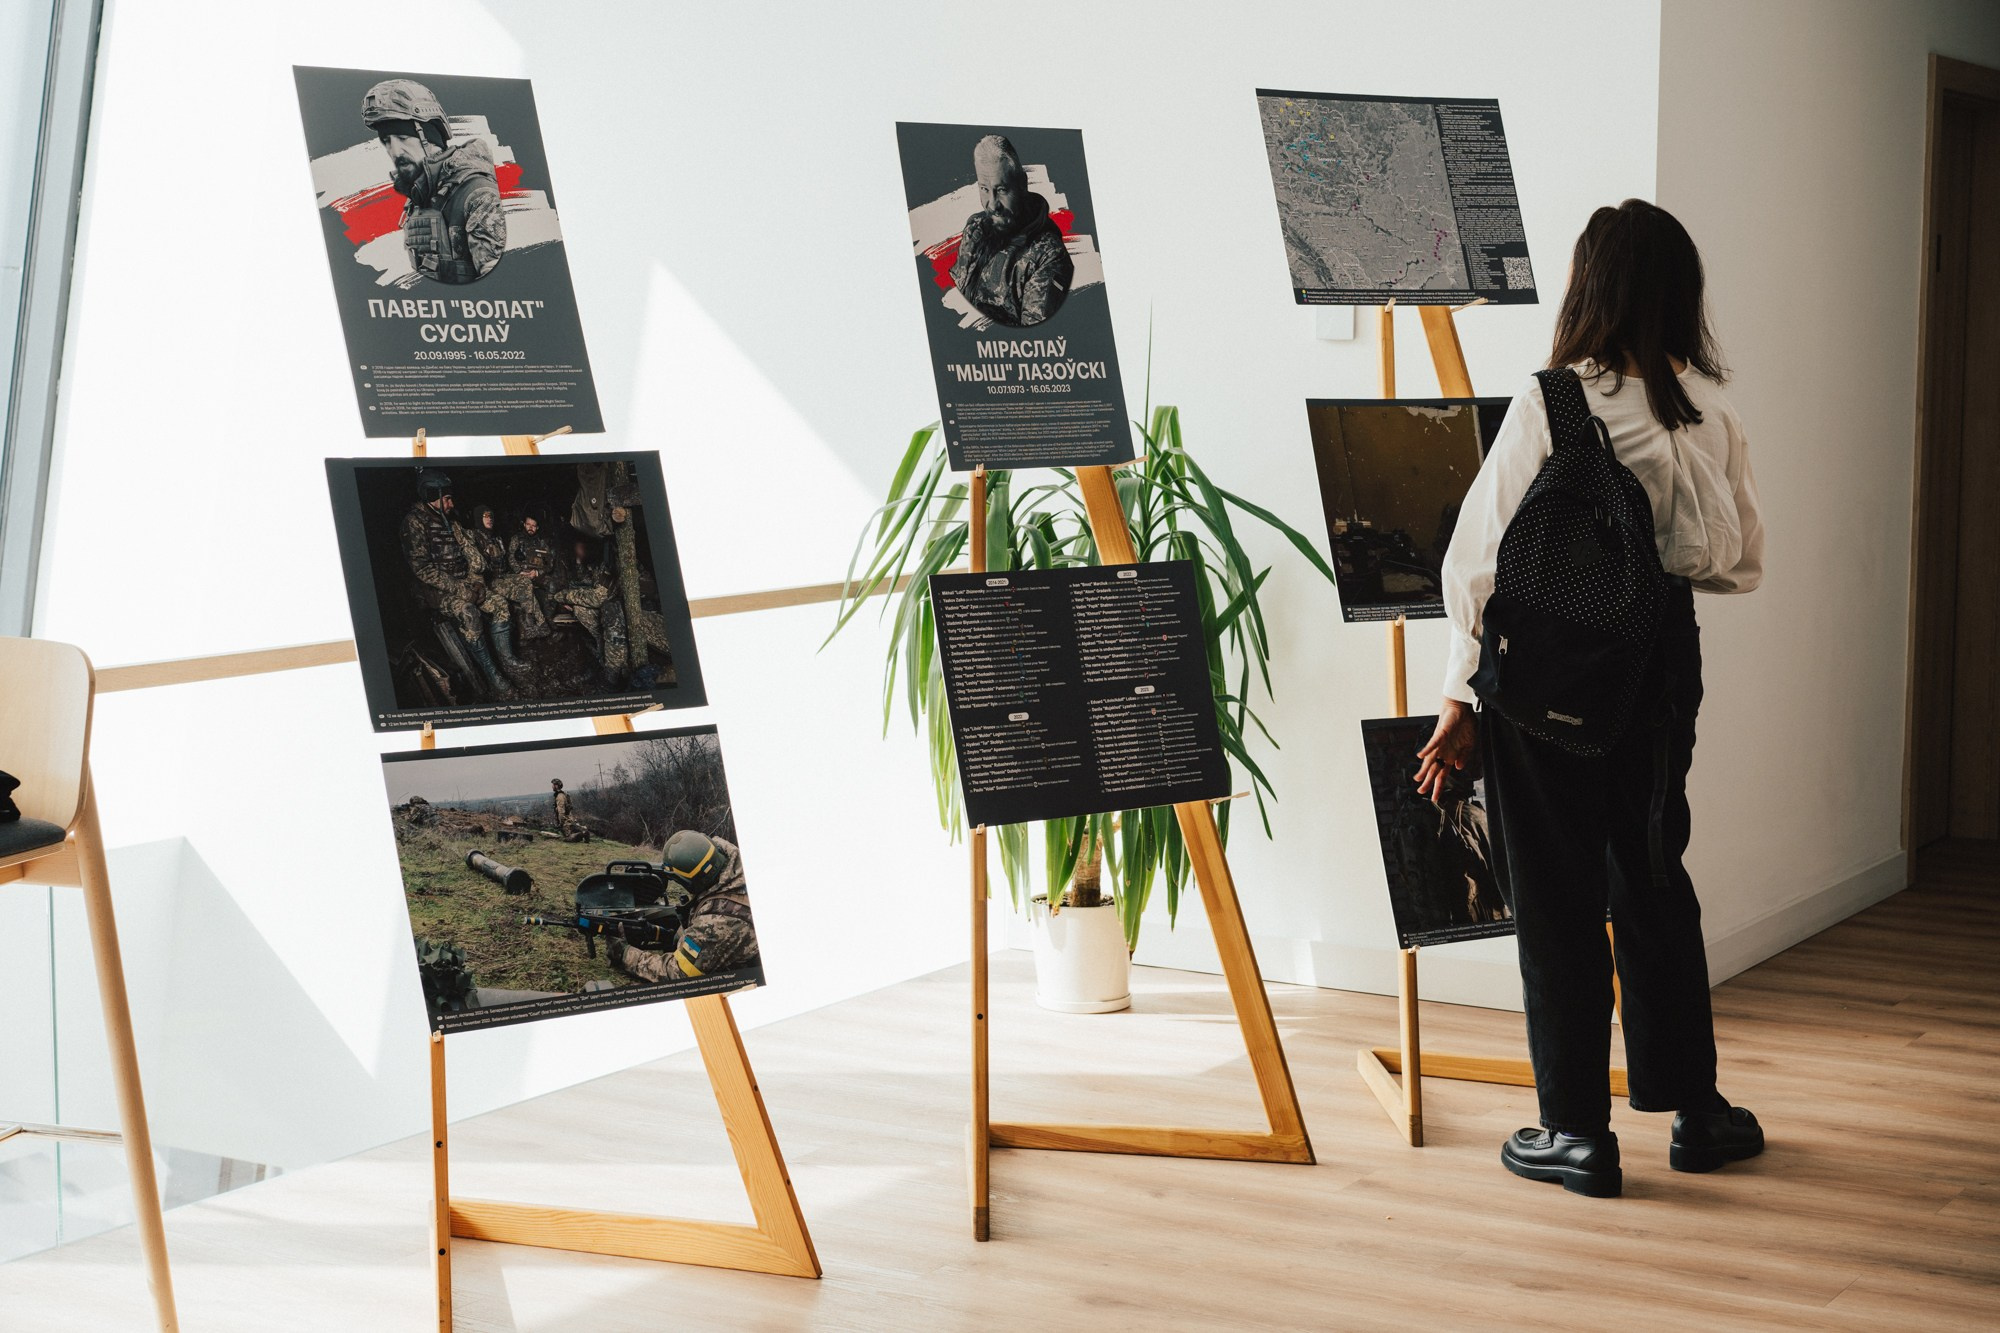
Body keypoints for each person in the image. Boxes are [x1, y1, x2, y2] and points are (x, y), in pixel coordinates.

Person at [1417, 199, 1766, 1198]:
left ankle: (1573, 1132)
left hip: (1544, 678)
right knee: (1650, 875)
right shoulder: (1706, 411)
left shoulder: (1552, 404)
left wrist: (1458, 698)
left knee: (1554, 895)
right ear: (1677, 294)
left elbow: (1473, 564)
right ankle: (1694, 1111)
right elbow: (1736, 563)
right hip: (1658, 670)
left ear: (1587, 287)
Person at [361, 78, 506, 285]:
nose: (394, 151)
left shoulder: (477, 194)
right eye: (386, 141)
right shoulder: (423, 194)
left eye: (402, 138)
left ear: (429, 139)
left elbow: (500, 286)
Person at [399, 471, 511, 698]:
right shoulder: (414, 523)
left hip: (465, 582)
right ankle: (492, 674)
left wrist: (476, 581)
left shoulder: (451, 521)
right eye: (447, 498)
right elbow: (422, 569)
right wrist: (462, 590)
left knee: (499, 603)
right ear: (432, 496)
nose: (452, 503)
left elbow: (472, 554)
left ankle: (507, 660)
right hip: (436, 592)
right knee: (469, 613)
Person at [950, 135, 1073, 327]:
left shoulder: (1048, 256)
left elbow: (1035, 337)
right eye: (984, 189)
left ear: (1022, 184)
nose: (992, 205)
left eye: (1001, 190)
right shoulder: (976, 229)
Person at [607, 830, 759, 982]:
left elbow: (678, 973)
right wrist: (657, 933)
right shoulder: (735, 867)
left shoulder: (719, 922)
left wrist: (625, 954)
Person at [462, 504, 548, 679]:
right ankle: (515, 650)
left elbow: (507, 560)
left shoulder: (496, 538)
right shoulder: (474, 537)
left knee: (525, 582)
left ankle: (531, 623)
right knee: (513, 593)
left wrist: (524, 572)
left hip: (501, 576)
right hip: (487, 582)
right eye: (486, 516)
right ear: (479, 518)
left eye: (491, 516)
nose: (490, 519)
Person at [550, 778, 587, 843]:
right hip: (569, 819)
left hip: (566, 822)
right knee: (569, 833)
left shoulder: (560, 796)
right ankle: (581, 833)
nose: (552, 786)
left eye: (553, 785)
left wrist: (561, 823)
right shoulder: (564, 794)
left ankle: (582, 834)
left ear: (556, 786)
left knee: (567, 839)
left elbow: (561, 811)